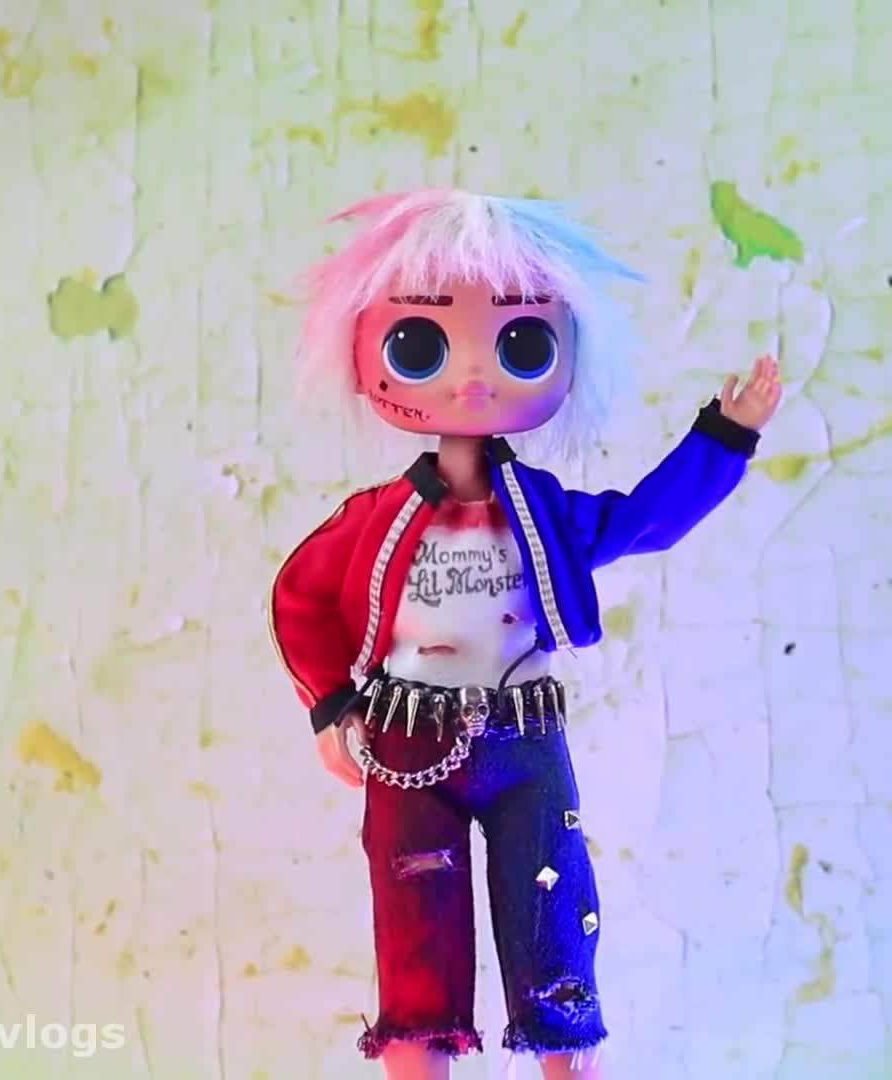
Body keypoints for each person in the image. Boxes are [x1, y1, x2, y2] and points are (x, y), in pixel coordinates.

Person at [268, 189, 782, 1079]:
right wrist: (331, 705)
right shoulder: (375, 519)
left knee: (554, 925)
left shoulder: (542, 512)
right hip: (406, 740)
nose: (472, 377)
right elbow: (301, 598)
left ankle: (566, 1062)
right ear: (362, 356)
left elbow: (645, 521)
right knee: (415, 933)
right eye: (420, 345)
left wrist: (724, 438)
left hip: (525, 738)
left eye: (522, 345)